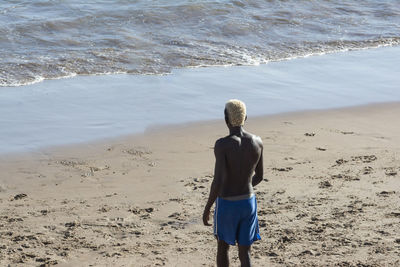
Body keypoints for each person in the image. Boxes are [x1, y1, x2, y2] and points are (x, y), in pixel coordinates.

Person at [203, 99, 264, 267]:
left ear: (226, 119)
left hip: (227, 204)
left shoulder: (222, 145)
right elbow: (259, 176)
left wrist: (207, 207)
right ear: (246, 118)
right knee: (245, 252)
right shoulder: (257, 142)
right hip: (248, 202)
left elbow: (218, 181)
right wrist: (243, 184)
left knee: (223, 248)